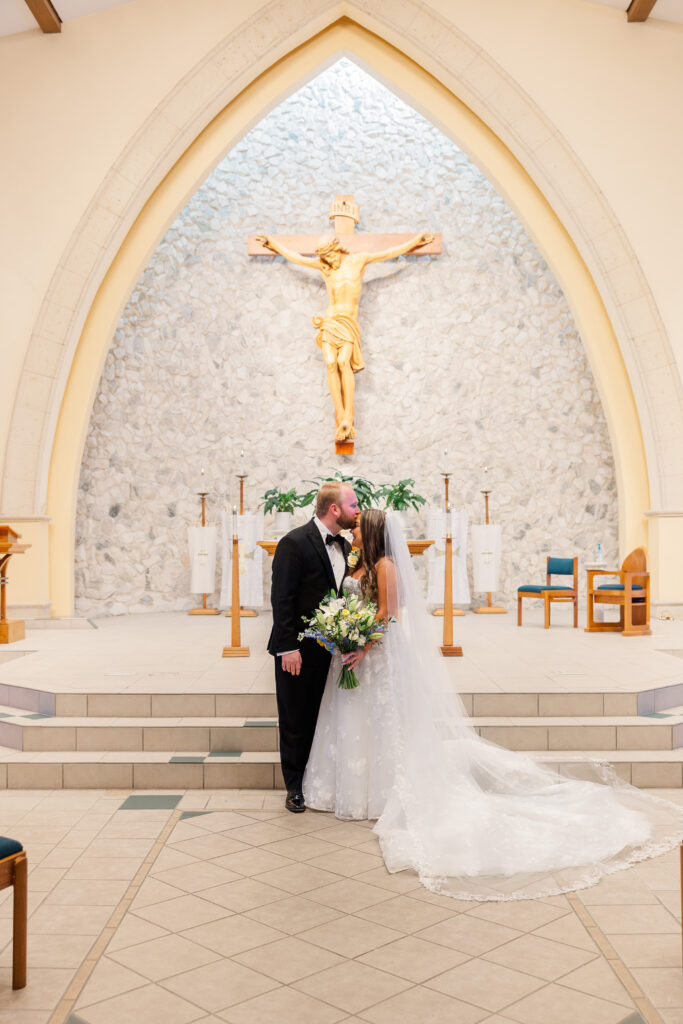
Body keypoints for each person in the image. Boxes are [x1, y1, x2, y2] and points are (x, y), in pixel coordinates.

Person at [303, 509, 683, 901]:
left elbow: (387, 615)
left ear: (374, 533)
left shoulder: (385, 566)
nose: (353, 531)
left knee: (386, 725)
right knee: (361, 723)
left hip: (378, 660)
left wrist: (362, 644)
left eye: (359, 527)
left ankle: (382, 792)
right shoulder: (360, 563)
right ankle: (355, 789)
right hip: (358, 661)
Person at [254, 232, 433, 441]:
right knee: (330, 363)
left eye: (329, 255)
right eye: (324, 258)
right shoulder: (325, 268)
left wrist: (415, 243)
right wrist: (274, 245)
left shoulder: (359, 261)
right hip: (331, 321)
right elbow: (297, 258)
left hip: (348, 323)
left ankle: (349, 414)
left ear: (336, 248)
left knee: (342, 361)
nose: (328, 261)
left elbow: (389, 253)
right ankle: (341, 414)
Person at [268, 481, 358, 813]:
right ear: (334, 509)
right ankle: (294, 787)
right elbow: (282, 599)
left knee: (324, 718)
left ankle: (319, 781)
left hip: (331, 651)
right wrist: (287, 647)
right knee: (296, 717)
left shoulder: (348, 548)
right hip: (299, 651)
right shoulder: (293, 543)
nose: (357, 510)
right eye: (353, 505)